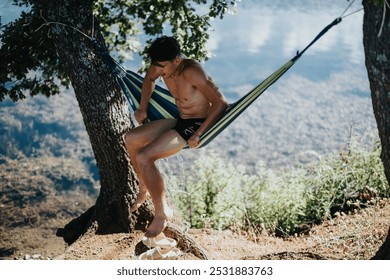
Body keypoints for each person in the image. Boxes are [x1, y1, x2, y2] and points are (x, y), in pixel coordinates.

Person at [125, 36, 228, 238]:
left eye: (162, 66)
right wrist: (142, 107)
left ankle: (162, 213)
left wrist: (199, 133)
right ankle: (143, 186)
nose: (158, 70)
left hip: (196, 124)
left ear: (177, 61)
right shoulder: (161, 65)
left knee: (145, 157)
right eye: (155, 65)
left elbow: (220, 103)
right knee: (131, 139)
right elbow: (148, 79)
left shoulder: (192, 72)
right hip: (178, 118)